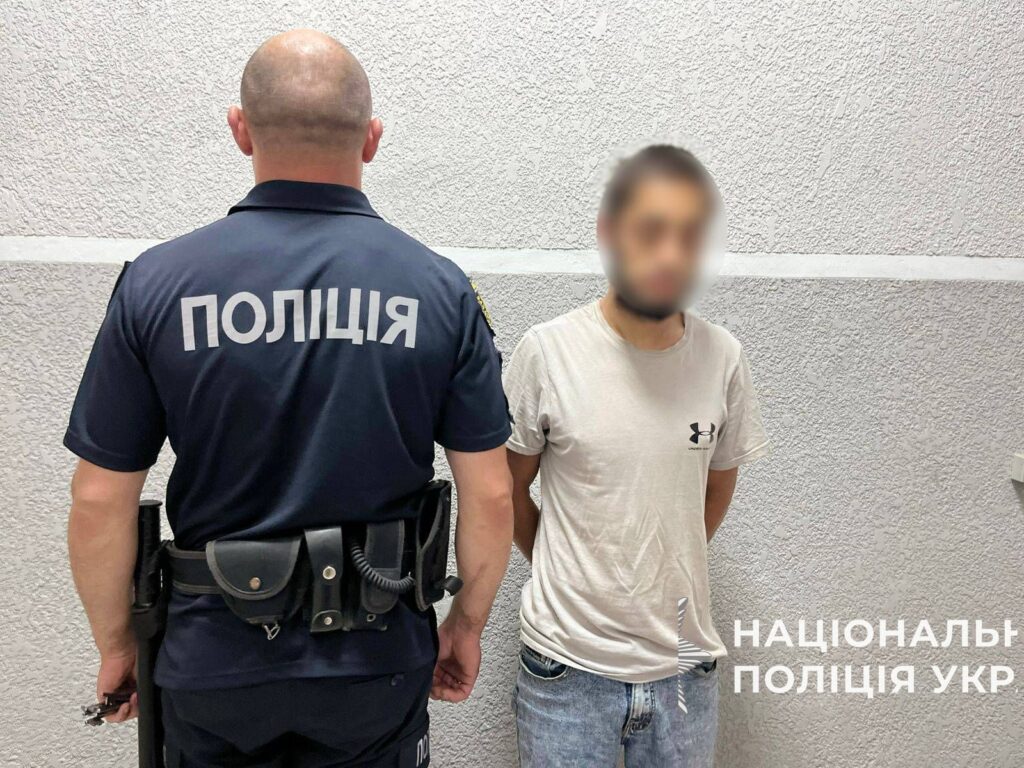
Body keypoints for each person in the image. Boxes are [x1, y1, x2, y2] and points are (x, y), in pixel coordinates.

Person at [65, 29, 514, 768]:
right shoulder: (439, 290)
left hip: (213, 659)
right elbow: (491, 494)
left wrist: (118, 644)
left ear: (240, 130)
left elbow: (97, 498)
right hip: (375, 661)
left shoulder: (156, 284)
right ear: (371, 139)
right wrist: (465, 626)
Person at [504, 145, 770, 767]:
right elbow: (506, 489)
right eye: (651, 231)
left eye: (690, 236)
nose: (670, 254)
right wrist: (567, 566)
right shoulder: (547, 352)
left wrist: (659, 562)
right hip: (565, 670)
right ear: (609, 234)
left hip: (684, 670)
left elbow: (716, 488)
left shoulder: (723, 358)